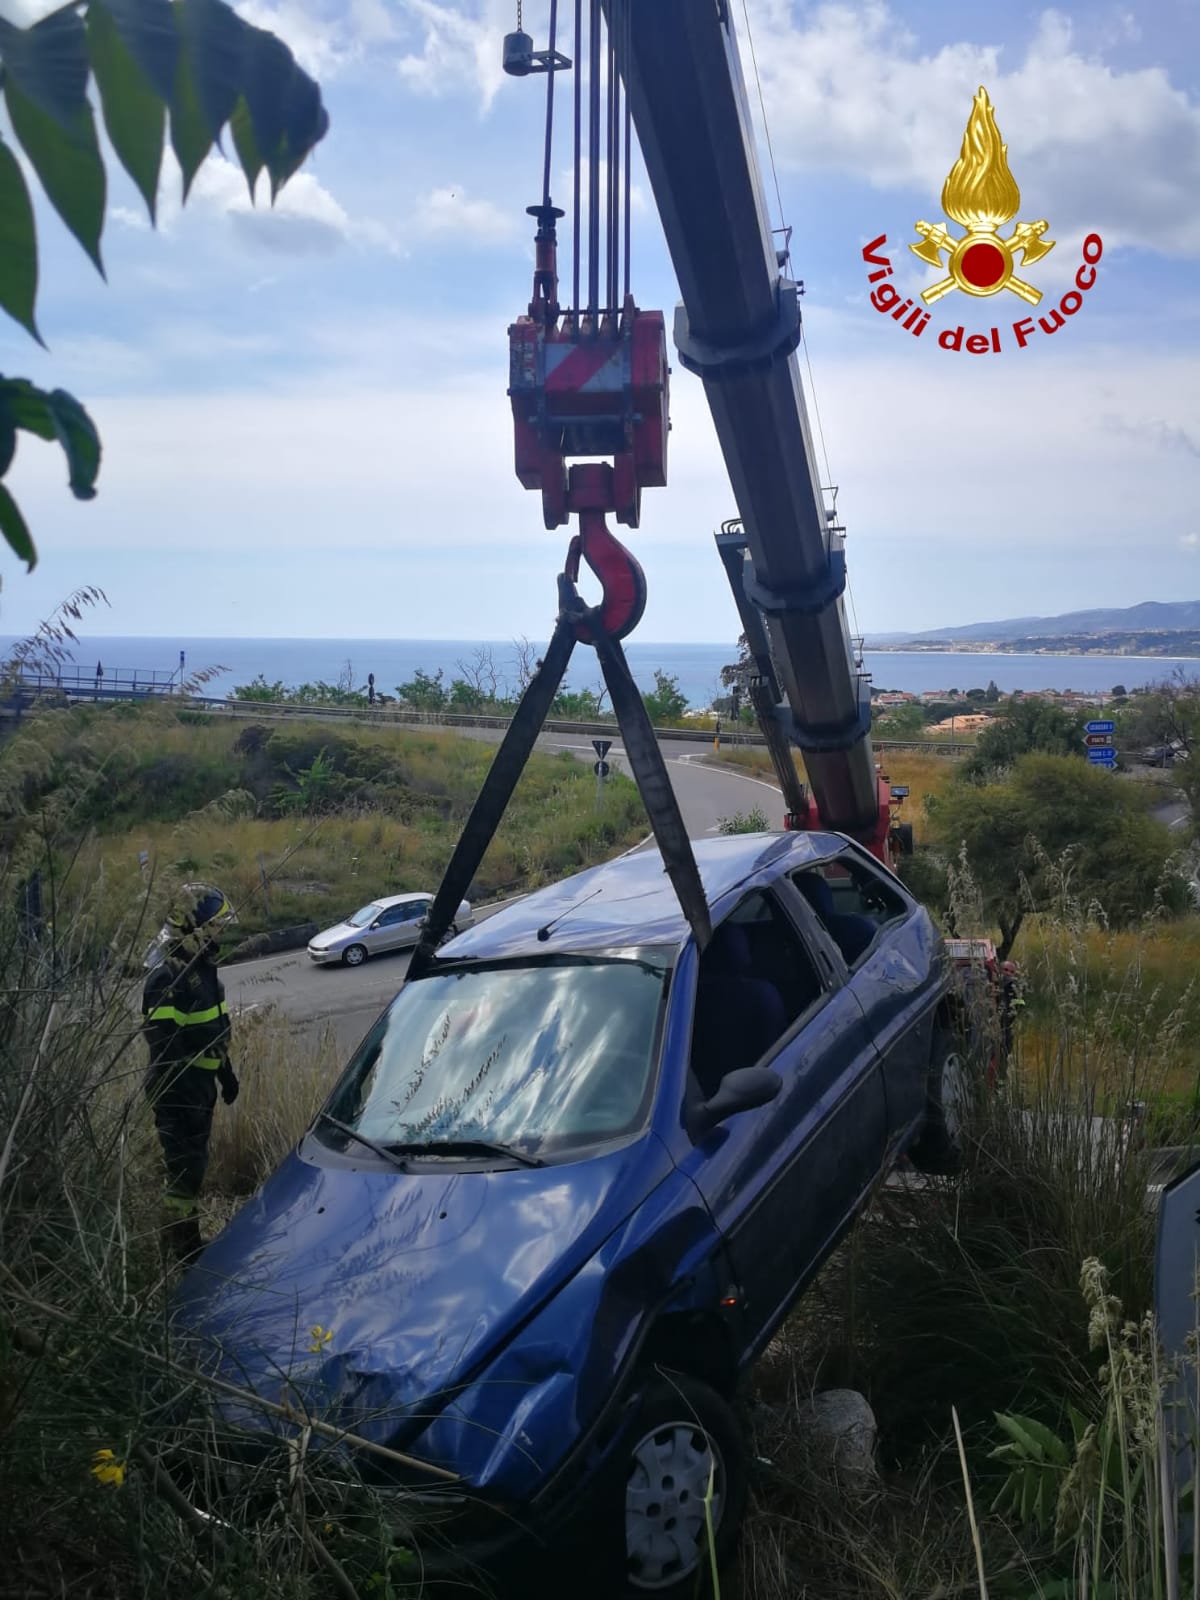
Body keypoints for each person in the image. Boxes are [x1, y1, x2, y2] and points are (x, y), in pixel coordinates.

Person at [141, 884, 240, 1263]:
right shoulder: (169, 979)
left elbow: (215, 1032)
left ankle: (184, 1239)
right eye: (216, 927)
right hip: (176, 1093)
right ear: (194, 929)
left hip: (199, 1090)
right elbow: (165, 1047)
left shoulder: (206, 974)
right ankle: (182, 1249)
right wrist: (189, 1091)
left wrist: (225, 1073)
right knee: (184, 1175)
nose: (221, 934)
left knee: (193, 1168)